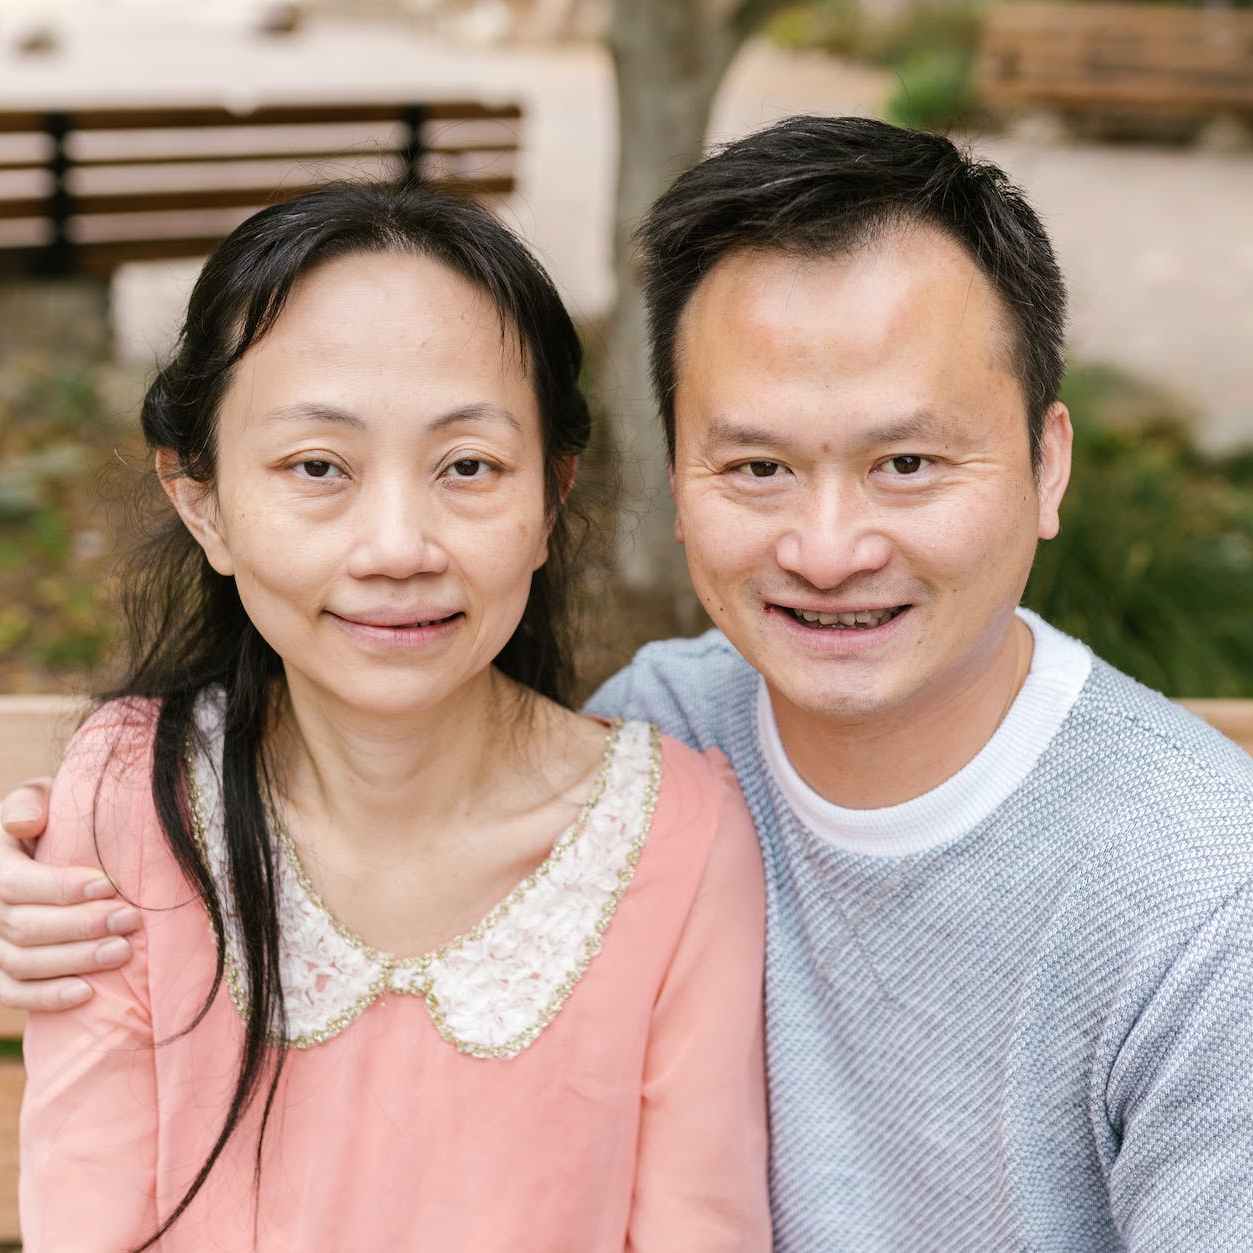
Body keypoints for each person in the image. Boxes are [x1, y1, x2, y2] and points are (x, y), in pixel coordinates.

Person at [3, 116, 1253, 1249]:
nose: (827, 549)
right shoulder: (670, 720)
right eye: (756, 467)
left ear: (1045, 463)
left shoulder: (1200, 899)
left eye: (907, 462)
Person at [12, 179, 770, 1251]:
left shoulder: (677, 839)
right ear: (203, 503)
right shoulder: (134, 799)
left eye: (468, 466)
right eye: (318, 466)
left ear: (549, 500)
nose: (398, 546)